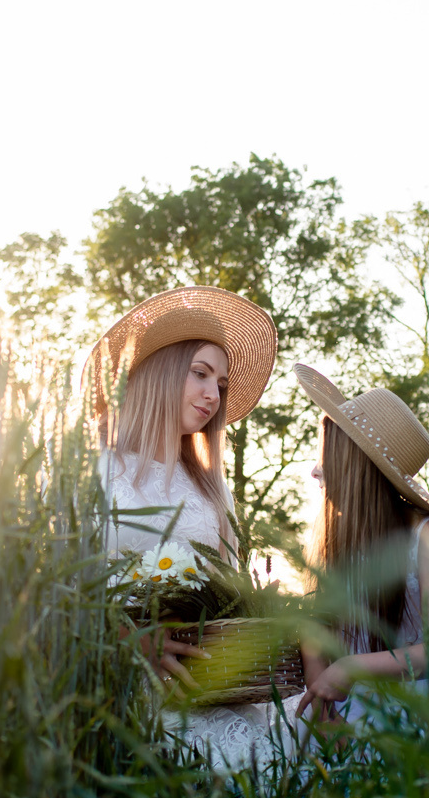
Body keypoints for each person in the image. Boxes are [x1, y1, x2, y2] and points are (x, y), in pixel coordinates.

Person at [82, 285, 284, 769]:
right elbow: (53, 586)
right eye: (200, 374)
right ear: (160, 372)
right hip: (109, 683)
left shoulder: (211, 490)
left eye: (221, 383)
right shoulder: (92, 471)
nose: (213, 394)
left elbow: (232, 593)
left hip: (205, 686)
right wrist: (125, 639)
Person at [288, 363, 429, 725]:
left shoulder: (426, 534)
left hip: (414, 701)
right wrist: (324, 710)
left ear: (355, 465)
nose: (315, 469)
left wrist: (352, 667)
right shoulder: (333, 536)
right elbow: (315, 629)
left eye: (326, 454)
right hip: (345, 704)